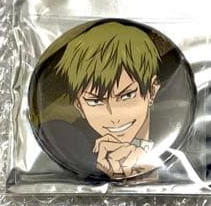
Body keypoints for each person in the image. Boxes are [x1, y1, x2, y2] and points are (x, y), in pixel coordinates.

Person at [37, 21, 163, 181]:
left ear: (152, 91)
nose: (114, 116)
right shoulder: (67, 138)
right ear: (79, 106)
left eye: (127, 96)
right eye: (95, 101)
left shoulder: (176, 138)